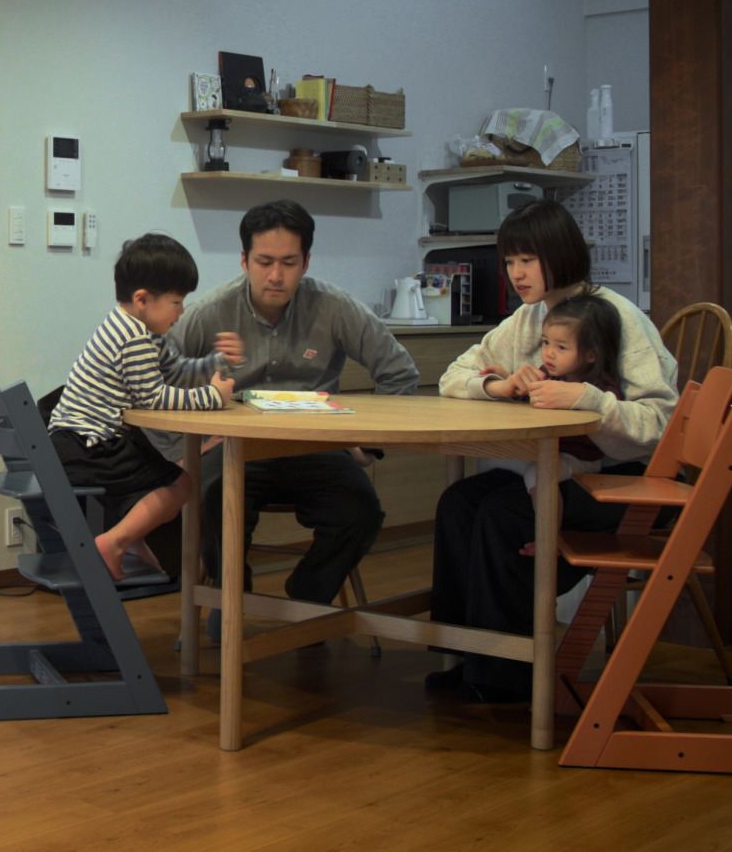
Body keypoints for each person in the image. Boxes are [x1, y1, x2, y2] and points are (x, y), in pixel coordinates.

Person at [429, 198, 678, 703]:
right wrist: (497, 385)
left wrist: (589, 400)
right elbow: (452, 375)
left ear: (560, 255)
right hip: (563, 471)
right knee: (459, 503)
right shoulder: (529, 318)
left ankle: (507, 677)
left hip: (628, 478)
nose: (516, 274)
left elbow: (660, 422)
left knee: (503, 513)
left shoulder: (617, 317)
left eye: (528, 260)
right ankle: (469, 656)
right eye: (509, 261)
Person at [147, 200, 421, 611]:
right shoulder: (210, 312)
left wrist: (367, 443)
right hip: (233, 448)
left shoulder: (334, 307)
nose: (276, 276)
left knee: (361, 511)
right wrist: (180, 454)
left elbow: (400, 373)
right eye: (264, 262)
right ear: (244, 260)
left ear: (306, 262)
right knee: (210, 499)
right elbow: (150, 384)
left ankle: (308, 600)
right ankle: (232, 598)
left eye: (289, 263)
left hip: (314, 446)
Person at [49, 233, 235, 581]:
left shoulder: (136, 329)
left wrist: (215, 362)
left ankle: (130, 540)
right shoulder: (133, 338)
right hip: (89, 445)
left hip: (78, 441)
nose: (181, 312)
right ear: (143, 299)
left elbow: (175, 370)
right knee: (180, 484)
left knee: (157, 474)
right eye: (177, 302)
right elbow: (155, 397)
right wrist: (212, 397)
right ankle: (115, 541)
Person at [509, 291, 624, 496]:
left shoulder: (600, 386)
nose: (549, 353)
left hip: (581, 457)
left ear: (591, 354)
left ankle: (547, 517)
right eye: (546, 342)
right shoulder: (550, 374)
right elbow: (527, 395)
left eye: (561, 347)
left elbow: (611, 420)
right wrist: (512, 383)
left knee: (538, 474)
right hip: (548, 449)